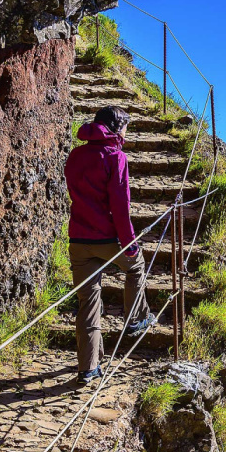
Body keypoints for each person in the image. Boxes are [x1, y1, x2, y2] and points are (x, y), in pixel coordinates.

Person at [64, 106, 155, 384]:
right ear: (117, 128)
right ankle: (136, 318)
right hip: (107, 239)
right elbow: (120, 207)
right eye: (126, 127)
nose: (127, 133)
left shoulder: (75, 155)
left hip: (78, 240)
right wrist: (130, 244)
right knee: (136, 267)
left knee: (88, 302)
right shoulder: (116, 157)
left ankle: (88, 368)